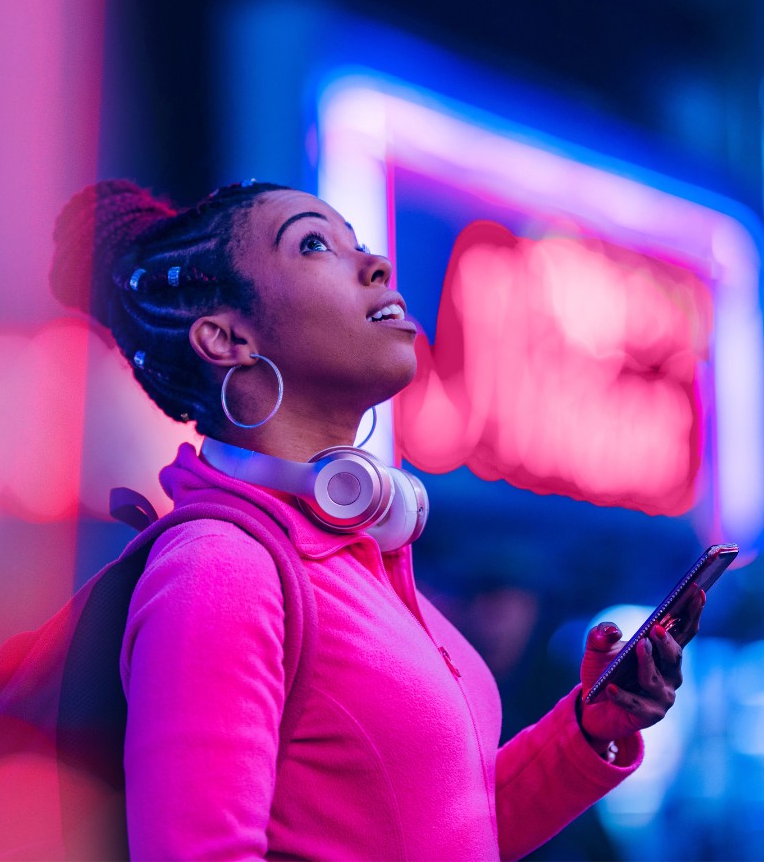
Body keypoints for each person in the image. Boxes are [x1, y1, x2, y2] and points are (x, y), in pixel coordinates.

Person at [48, 179, 701, 860]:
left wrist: (588, 728)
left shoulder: (358, 554)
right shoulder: (222, 566)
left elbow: (443, 833)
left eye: (358, 242)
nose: (376, 264)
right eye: (313, 244)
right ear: (227, 337)